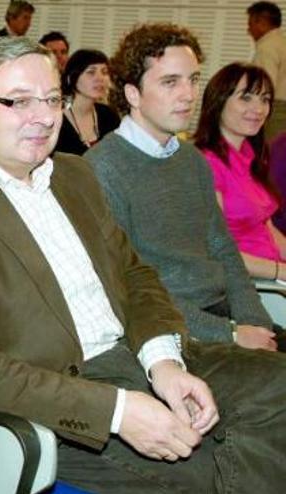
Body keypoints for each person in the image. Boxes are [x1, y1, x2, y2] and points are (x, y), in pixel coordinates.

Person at [0, 35, 286, 494]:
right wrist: (119, 412)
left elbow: (135, 275)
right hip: (67, 393)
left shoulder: (74, 174)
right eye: (18, 101)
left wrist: (164, 362)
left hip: (141, 351)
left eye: (50, 99)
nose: (44, 117)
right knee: (202, 467)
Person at [86, 29, 280, 353]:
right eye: (170, 82)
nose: (189, 94)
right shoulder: (102, 168)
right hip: (172, 333)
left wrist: (257, 324)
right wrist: (230, 334)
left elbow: (224, 251)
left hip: (222, 315)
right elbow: (126, 288)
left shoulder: (190, 159)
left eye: (193, 79)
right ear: (133, 94)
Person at [194, 63, 286, 285]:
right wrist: (279, 271)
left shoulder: (251, 157)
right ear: (219, 101)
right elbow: (215, 250)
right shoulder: (205, 163)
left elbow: (267, 227)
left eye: (264, 99)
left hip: (270, 277)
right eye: (246, 98)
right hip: (243, 285)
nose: (259, 108)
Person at [55, 49, 119, 155]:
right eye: (91, 72)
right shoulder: (56, 119)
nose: (100, 78)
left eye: (104, 72)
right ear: (71, 78)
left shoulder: (109, 115)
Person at [247, 2, 286, 138]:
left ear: (262, 22)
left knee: (271, 153)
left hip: (277, 112)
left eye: (250, 24)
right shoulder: (282, 42)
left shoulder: (267, 47)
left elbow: (264, 88)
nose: (248, 30)